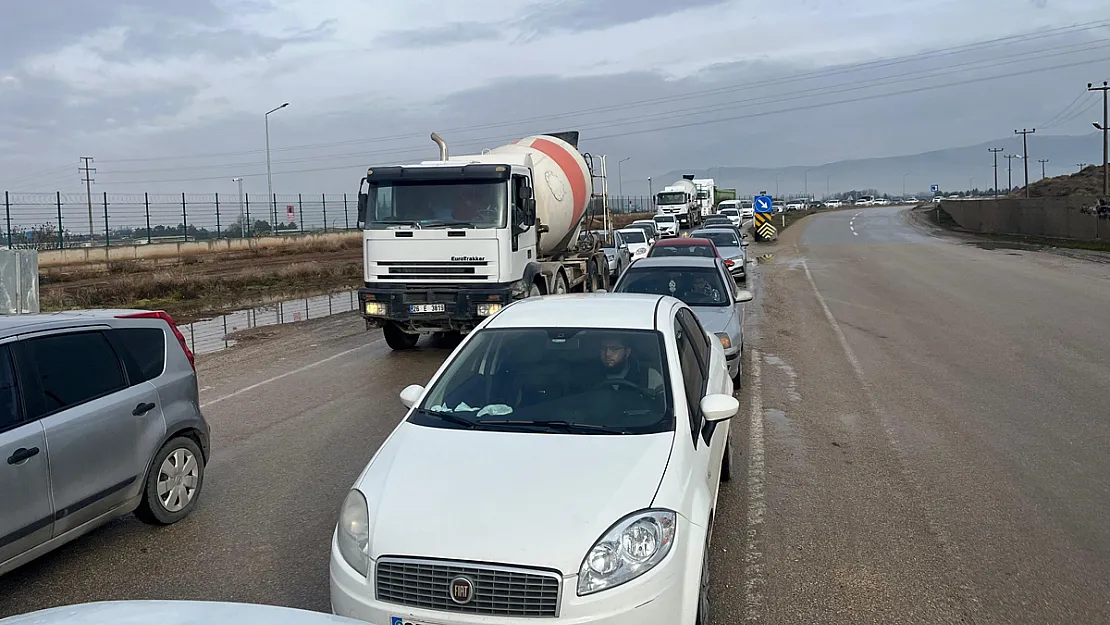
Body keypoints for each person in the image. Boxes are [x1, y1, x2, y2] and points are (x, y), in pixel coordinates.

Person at [596, 333, 664, 392]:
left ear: (627, 352)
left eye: (614, 349)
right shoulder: (588, 375)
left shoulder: (650, 375)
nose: (607, 354)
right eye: (603, 348)